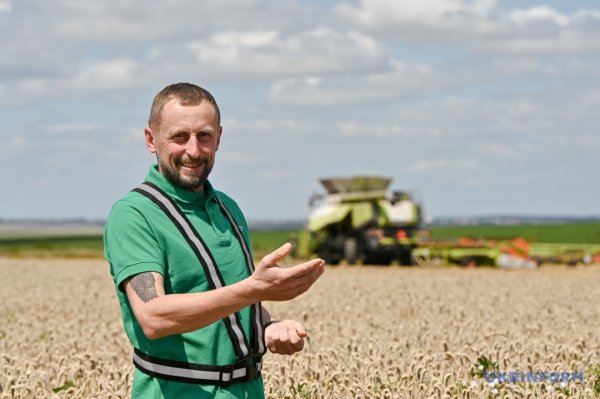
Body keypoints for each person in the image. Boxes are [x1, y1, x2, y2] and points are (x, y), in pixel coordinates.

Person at [104, 82, 325, 399]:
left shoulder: (228, 208)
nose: (193, 151)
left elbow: (235, 299)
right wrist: (253, 289)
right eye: (179, 137)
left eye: (204, 136)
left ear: (219, 138)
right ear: (151, 140)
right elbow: (153, 316)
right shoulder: (134, 215)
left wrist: (267, 327)